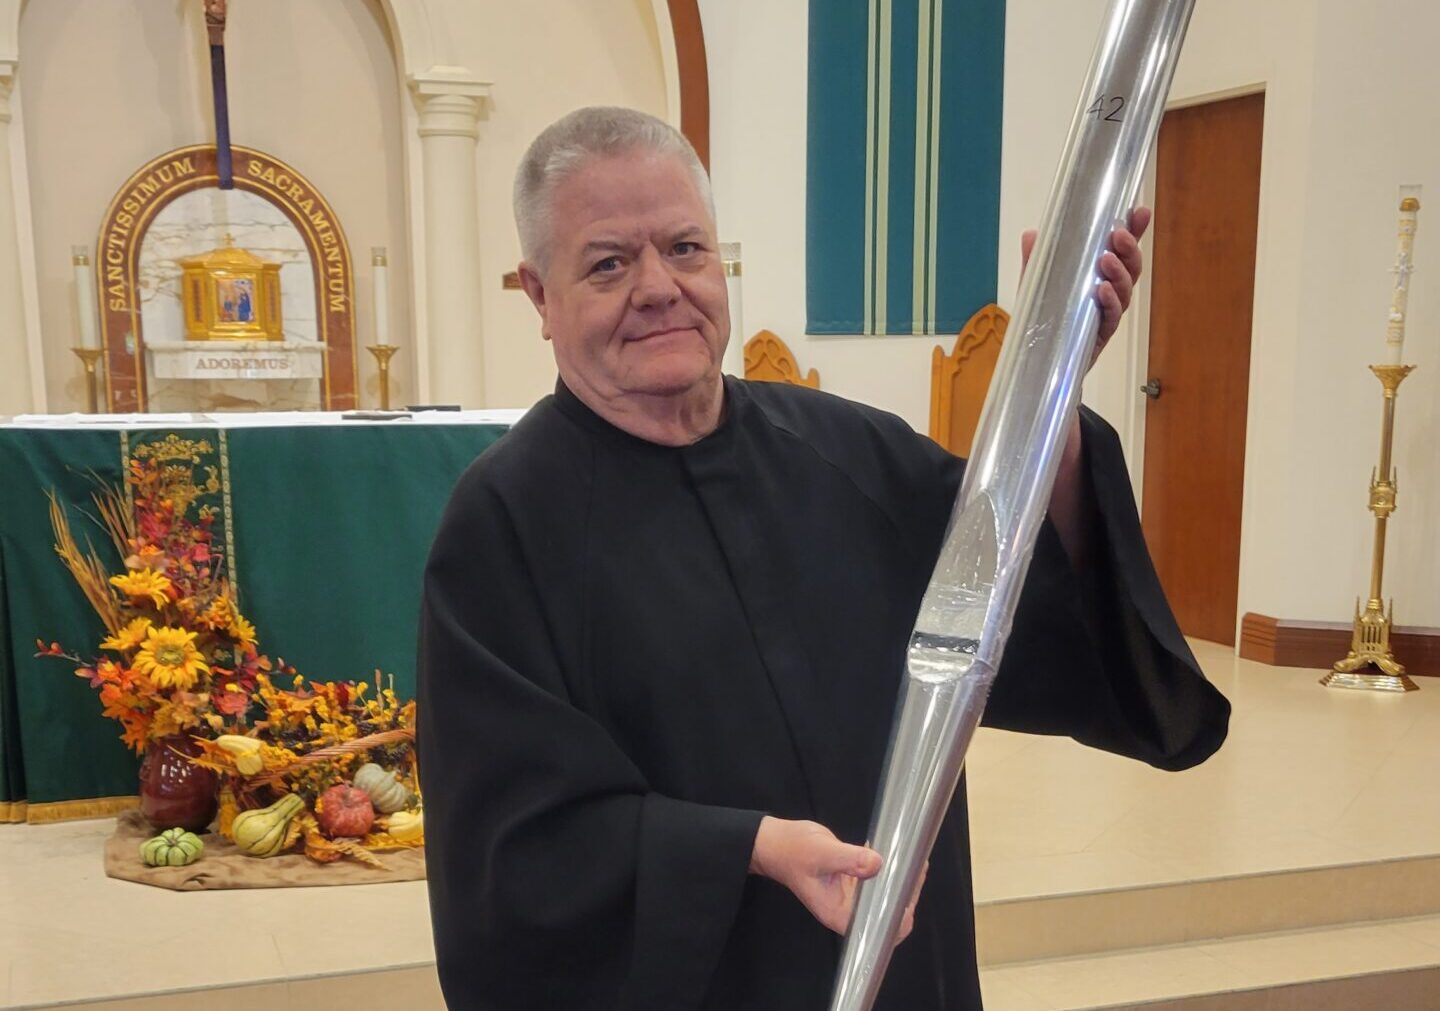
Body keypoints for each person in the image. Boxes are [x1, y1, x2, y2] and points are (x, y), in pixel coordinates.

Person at [417, 106, 1229, 1010]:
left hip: (906, 965)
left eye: (685, 248)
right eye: (608, 262)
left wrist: (1049, 389)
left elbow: (1025, 593)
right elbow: (511, 853)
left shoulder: (849, 453)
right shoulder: (501, 526)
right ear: (539, 293)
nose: (658, 287)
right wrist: (751, 849)